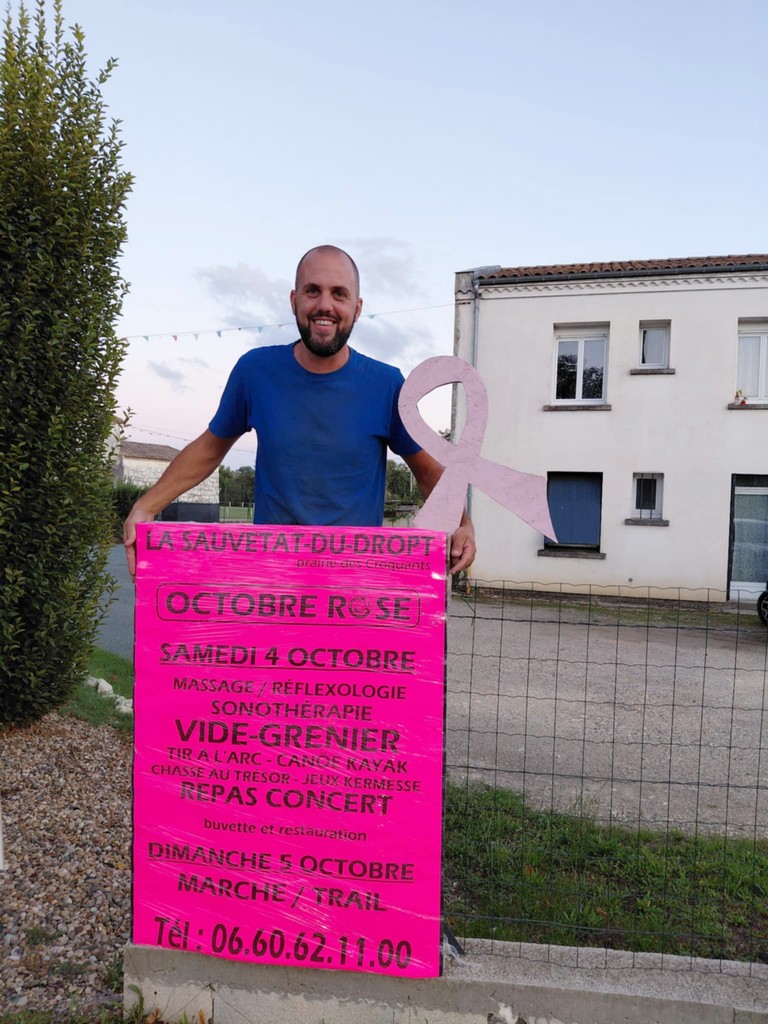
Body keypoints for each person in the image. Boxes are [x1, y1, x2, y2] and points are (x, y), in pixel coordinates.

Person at [123, 245, 476, 577]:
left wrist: (462, 524)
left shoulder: (387, 385)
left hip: (354, 585)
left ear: (357, 308)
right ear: (294, 301)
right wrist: (146, 506)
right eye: (312, 291)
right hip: (273, 582)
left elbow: (427, 470)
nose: (325, 305)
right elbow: (210, 448)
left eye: (339, 294)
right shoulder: (255, 371)